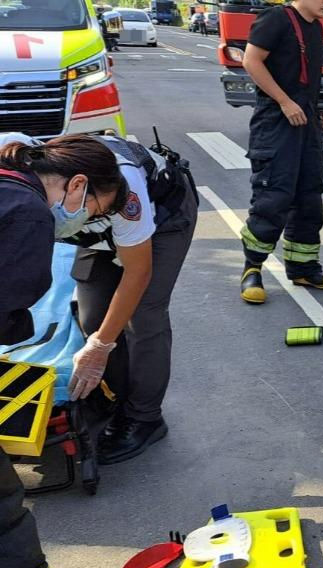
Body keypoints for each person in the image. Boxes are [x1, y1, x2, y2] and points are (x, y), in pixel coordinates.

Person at [0, 136, 132, 568]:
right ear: (76, 186)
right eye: (92, 209)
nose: (82, 223)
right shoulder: (27, 216)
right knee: (3, 521)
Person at [1, 131, 199, 463]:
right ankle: (115, 399)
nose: (92, 214)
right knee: (92, 317)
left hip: (164, 218)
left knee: (141, 317)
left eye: (97, 211)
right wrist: (99, 337)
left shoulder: (126, 193)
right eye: (93, 209)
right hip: (98, 230)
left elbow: (138, 274)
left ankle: (145, 418)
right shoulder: (19, 155)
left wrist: (100, 347)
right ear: (76, 186)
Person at [238, 0, 323, 304]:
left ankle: (303, 267)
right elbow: (251, 61)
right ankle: (251, 269)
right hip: (275, 121)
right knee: (274, 196)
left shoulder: (316, 28)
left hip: (305, 119)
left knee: (308, 194)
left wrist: (318, 115)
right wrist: (284, 101)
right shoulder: (275, 18)